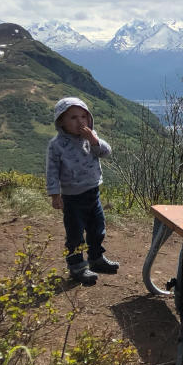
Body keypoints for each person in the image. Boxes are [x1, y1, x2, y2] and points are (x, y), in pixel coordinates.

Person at [46, 96, 120, 286]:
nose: (80, 121)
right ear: (61, 121)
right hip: (72, 197)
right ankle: (77, 267)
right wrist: (55, 194)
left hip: (93, 193)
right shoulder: (57, 145)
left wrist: (94, 140)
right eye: (73, 118)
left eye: (83, 117)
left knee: (97, 229)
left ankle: (96, 258)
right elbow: (52, 170)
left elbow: (106, 152)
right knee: (75, 234)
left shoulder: (90, 137)